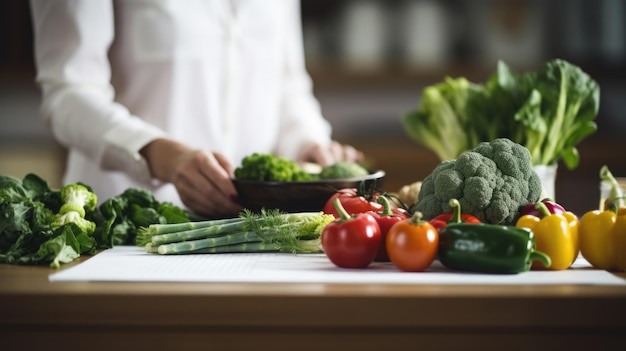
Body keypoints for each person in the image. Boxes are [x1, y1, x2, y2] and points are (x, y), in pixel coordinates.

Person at [29, 0, 364, 218]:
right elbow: (68, 91)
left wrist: (309, 143)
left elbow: (287, 85)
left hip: (246, 232)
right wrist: (165, 156)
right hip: (123, 224)